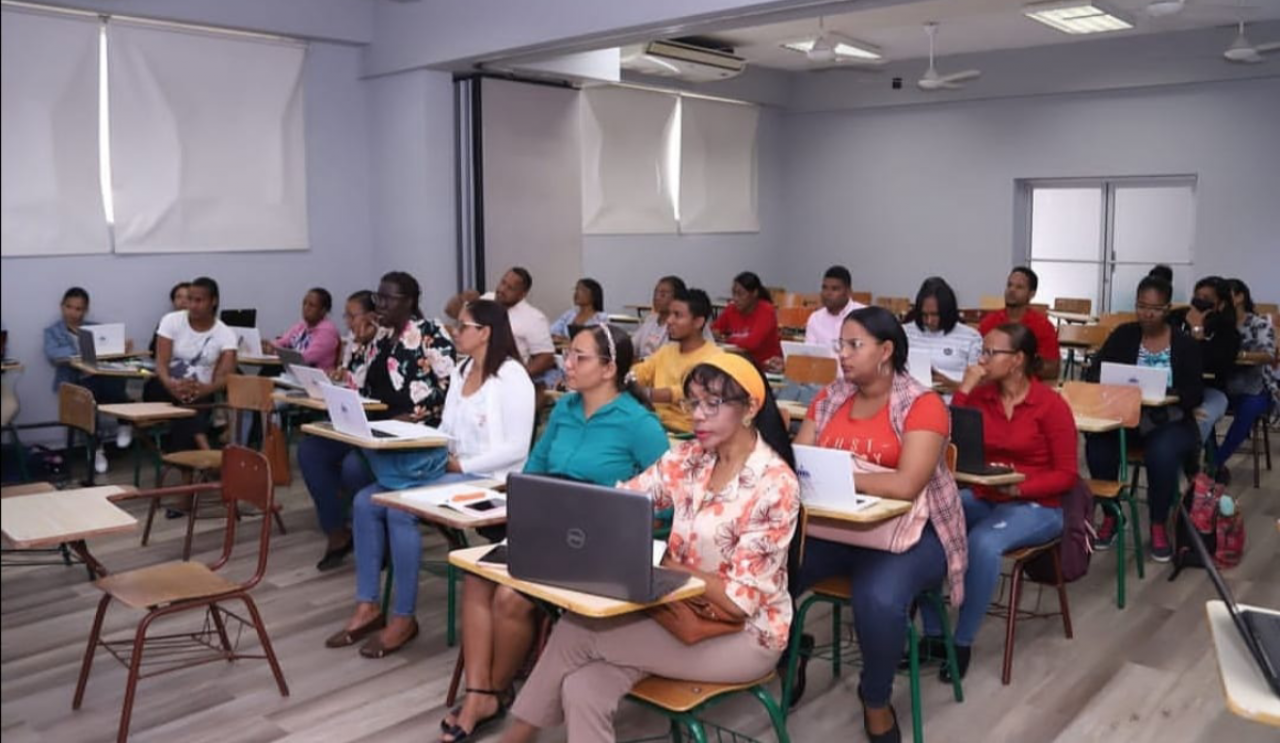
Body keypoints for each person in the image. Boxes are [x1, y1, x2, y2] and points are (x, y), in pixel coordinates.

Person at [498, 354, 800, 743]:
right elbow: (620, 505)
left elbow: (739, 602)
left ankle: (517, 736)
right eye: (693, 403)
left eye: (713, 404)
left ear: (751, 408)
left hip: (746, 636)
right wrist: (561, 528)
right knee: (583, 687)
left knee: (579, 630)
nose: (697, 416)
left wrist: (668, 564)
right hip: (678, 612)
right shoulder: (689, 458)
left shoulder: (775, 484)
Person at [442, 324, 668, 742]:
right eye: (569, 354)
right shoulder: (565, 409)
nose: (568, 363)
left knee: (510, 596)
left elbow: (670, 501)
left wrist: (625, 524)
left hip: (596, 545)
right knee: (476, 575)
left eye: (580, 357)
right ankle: (479, 694)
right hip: (549, 530)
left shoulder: (639, 424)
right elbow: (533, 473)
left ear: (609, 369)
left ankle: (492, 693)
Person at [791, 306, 968, 743]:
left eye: (855, 345)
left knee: (879, 600)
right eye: (841, 345)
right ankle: (789, 651)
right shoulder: (829, 397)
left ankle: (875, 699)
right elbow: (800, 464)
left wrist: (842, 476)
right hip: (835, 525)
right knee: (770, 567)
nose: (843, 354)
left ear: (886, 350)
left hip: (913, 532)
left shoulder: (923, 404)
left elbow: (907, 485)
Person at [326, 299, 534, 658]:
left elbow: (517, 448)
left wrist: (461, 465)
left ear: (485, 333)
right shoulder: (462, 370)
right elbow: (447, 429)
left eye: (463, 326)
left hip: (490, 480)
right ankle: (368, 605)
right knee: (364, 500)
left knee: (400, 509)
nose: (455, 332)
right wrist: (418, 442)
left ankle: (403, 618)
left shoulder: (513, 377)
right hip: (450, 469)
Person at [919, 323, 1077, 680]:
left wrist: (1020, 489)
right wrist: (964, 389)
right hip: (984, 494)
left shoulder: (1050, 405)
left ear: (1017, 360)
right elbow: (948, 442)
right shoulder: (981, 397)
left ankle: (961, 642)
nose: (982, 360)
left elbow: (1067, 474)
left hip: (1038, 505)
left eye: (991, 353)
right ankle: (933, 635)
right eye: (982, 352)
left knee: (983, 542)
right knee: (926, 523)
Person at [298, 272, 456, 571]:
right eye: (377, 297)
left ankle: (378, 535)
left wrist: (411, 415)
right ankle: (338, 532)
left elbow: (450, 388)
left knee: (354, 466)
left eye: (387, 298)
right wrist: (359, 343)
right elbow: (355, 383)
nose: (380, 304)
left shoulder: (431, 332)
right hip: (372, 424)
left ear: (409, 301)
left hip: (413, 428)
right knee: (311, 451)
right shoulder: (380, 335)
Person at [1086, 275, 1203, 561]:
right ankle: (1112, 514)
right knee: (1097, 444)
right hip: (1126, 417)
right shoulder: (1124, 335)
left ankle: (1158, 522)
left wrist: (1166, 392)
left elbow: (1195, 393)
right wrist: (1116, 383)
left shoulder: (1184, 344)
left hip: (1171, 420)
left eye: (1155, 309)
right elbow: (1094, 372)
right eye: (1141, 306)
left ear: (1167, 309)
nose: (1147, 314)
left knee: (1161, 452)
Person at [43, 287, 132, 472]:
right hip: (75, 381)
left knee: (116, 378)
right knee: (87, 398)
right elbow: (53, 355)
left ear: (85, 310)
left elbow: (109, 352)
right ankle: (97, 448)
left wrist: (121, 348)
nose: (73, 312)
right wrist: (83, 351)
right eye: (69, 307)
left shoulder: (96, 328)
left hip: (100, 377)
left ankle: (125, 422)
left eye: (78, 309)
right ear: (62, 306)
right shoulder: (52, 331)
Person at [144, 277, 238, 452]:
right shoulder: (171, 321)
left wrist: (205, 389)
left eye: (199, 300)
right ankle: (205, 452)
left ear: (213, 301)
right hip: (164, 386)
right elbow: (161, 364)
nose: (192, 305)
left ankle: (184, 457)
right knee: (187, 405)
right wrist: (171, 384)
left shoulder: (225, 334)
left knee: (190, 406)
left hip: (201, 392)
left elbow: (224, 377)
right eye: (190, 299)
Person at [630, 288, 724, 433]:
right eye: (669, 314)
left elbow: (689, 392)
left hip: (689, 431)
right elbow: (639, 373)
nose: (669, 321)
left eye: (677, 315)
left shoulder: (715, 357)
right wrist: (624, 378)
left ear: (698, 322)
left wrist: (647, 393)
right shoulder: (666, 351)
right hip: (655, 424)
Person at [447, 267, 557, 385]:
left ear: (522, 294)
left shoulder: (533, 318)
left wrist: (519, 376)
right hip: (471, 367)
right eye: (503, 282)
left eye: (510, 288)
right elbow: (450, 312)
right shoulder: (487, 299)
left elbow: (546, 358)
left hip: (504, 375)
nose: (502, 289)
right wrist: (462, 298)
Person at [1214, 279, 1276, 480]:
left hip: (1255, 388)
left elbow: (1268, 355)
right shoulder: (1218, 324)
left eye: (1227, 295)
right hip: (1225, 385)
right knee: (1202, 404)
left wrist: (1238, 355)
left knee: (1248, 410)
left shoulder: (1259, 324)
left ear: (1240, 297)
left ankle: (1215, 463)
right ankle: (1211, 459)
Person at [1170, 276, 1239, 446]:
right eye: (1197, 296)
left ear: (1221, 304)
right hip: (1175, 388)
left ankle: (1183, 457)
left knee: (1200, 419)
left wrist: (1197, 332)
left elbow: (1213, 365)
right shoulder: (1177, 320)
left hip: (1211, 390)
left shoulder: (1228, 332)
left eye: (1206, 298)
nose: (1200, 301)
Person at [904, 277, 983, 399]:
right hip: (911, 400)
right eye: (924, 315)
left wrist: (953, 386)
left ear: (947, 311)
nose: (929, 321)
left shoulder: (971, 337)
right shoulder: (904, 332)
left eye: (935, 314)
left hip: (952, 402)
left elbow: (979, 386)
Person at [978, 267, 1059, 381]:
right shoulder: (989, 322)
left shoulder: (1043, 326)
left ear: (1031, 294)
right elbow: (976, 358)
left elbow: (1052, 370)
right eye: (1009, 285)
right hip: (991, 383)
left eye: (1019, 287)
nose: (1012, 290)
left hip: (1028, 385)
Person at [712, 271, 783, 371]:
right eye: (734, 293)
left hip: (765, 366)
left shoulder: (766, 310)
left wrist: (728, 339)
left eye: (740, 294)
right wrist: (716, 334)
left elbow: (752, 343)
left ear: (754, 293)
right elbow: (713, 332)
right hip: (739, 363)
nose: (735, 298)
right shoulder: (731, 309)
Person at [630, 276, 713, 358]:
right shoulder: (651, 320)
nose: (656, 298)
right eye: (655, 293)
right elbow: (631, 347)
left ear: (677, 298)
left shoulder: (693, 330)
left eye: (663, 294)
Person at [268, 287, 341, 372]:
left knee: (269, 371)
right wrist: (269, 346)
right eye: (304, 303)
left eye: (311, 305)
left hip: (315, 376)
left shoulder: (328, 332)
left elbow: (305, 358)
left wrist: (277, 352)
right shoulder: (301, 326)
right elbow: (282, 342)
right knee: (267, 370)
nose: (306, 308)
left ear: (323, 310)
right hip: (296, 372)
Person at [804, 265, 865, 349]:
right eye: (824, 288)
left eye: (834, 289)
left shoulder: (864, 315)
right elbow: (809, 353)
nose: (827, 293)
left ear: (848, 292)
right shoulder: (815, 318)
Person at [333, 289, 377, 382]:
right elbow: (345, 367)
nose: (348, 322)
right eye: (346, 316)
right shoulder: (353, 335)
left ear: (371, 317)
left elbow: (365, 380)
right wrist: (340, 372)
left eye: (352, 317)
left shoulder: (381, 342)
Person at [149, 282, 192, 354]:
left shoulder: (206, 323)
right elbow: (153, 350)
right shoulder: (167, 321)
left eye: (188, 297)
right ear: (173, 301)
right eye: (179, 297)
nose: (183, 301)